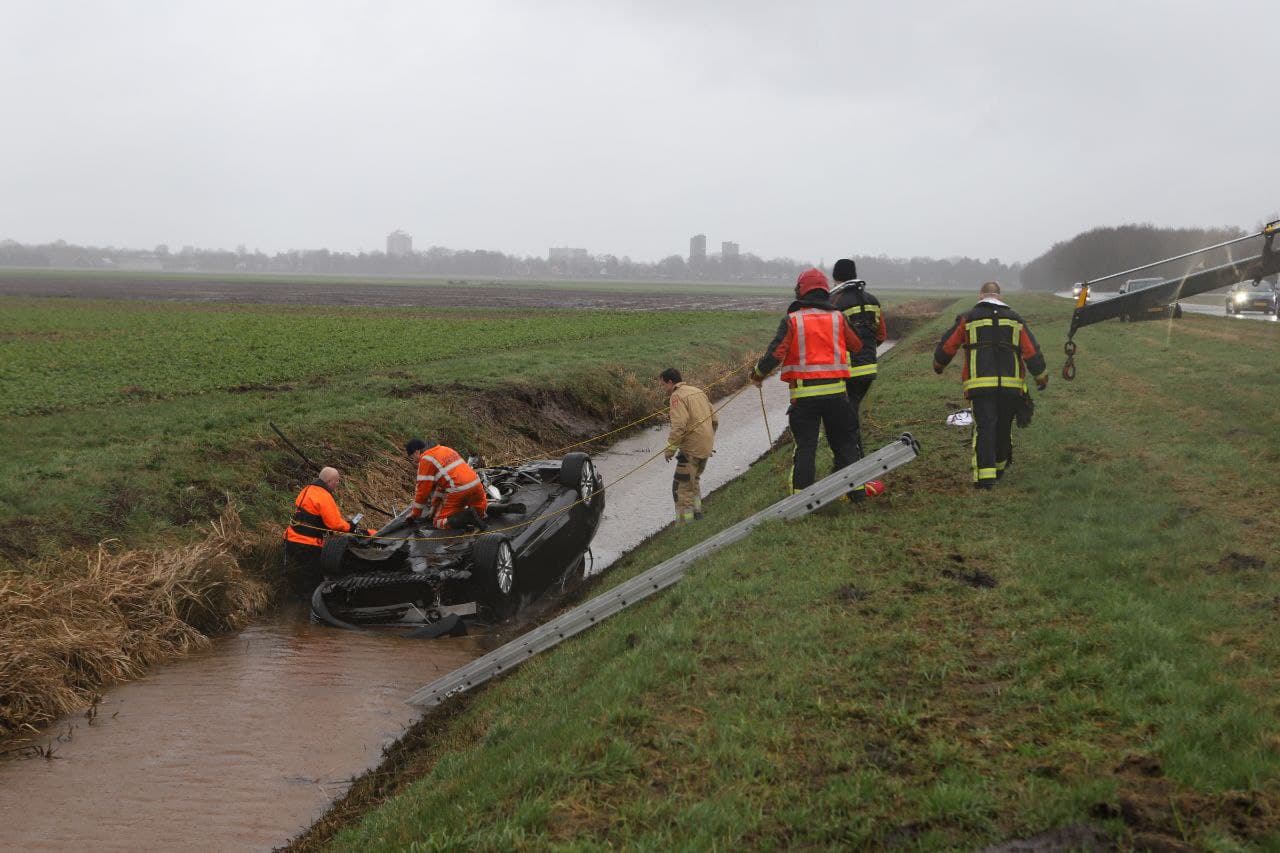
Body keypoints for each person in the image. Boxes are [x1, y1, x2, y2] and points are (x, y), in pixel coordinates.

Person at [750, 268, 862, 494]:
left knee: (806, 447)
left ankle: (802, 499)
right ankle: (855, 492)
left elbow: (775, 355)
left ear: (800, 292)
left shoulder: (793, 320)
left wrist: (757, 375)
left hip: (805, 398)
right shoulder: (838, 318)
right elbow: (857, 346)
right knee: (844, 445)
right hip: (838, 397)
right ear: (825, 291)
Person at [933, 281, 1048, 489]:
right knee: (1004, 427)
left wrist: (939, 364)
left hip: (980, 386)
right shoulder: (1015, 319)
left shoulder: (968, 317)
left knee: (985, 427)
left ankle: (985, 479)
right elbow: (1031, 350)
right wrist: (1041, 376)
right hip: (1011, 387)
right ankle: (999, 468)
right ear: (999, 297)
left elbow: (948, 345)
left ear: (980, 296)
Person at [282, 466, 373, 595]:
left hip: (291, 539)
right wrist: (350, 526)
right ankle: (312, 607)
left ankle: (295, 599)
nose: (337, 484)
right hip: (308, 545)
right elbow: (334, 524)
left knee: (300, 576)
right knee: (314, 579)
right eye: (337, 481)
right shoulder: (324, 496)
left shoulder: (307, 490)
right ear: (330, 481)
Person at [830, 258, 887, 441]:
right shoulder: (872, 300)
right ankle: (853, 452)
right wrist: (867, 351)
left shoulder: (835, 302)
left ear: (836, 278)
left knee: (845, 417)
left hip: (846, 370)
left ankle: (852, 456)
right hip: (869, 367)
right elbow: (881, 335)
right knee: (852, 410)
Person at [660, 367, 718, 523]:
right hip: (705, 447)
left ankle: (685, 522)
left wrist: (670, 450)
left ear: (670, 382)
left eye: (663, 385)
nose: (664, 389)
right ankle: (697, 513)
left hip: (690, 450)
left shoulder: (676, 397)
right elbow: (715, 419)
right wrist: (708, 439)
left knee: (682, 487)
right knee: (694, 481)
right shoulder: (697, 391)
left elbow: (679, 425)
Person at [405, 438, 489, 529]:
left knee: (438, 522)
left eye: (412, 458)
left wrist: (414, 514)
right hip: (476, 484)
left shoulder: (426, 459)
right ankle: (487, 511)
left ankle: (466, 517)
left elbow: (422, 493)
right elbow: (441, 486)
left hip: (458, 489)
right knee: (478, 513)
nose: (413, 461)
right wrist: (434, 506)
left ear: (417, 452)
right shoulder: (445, 449)